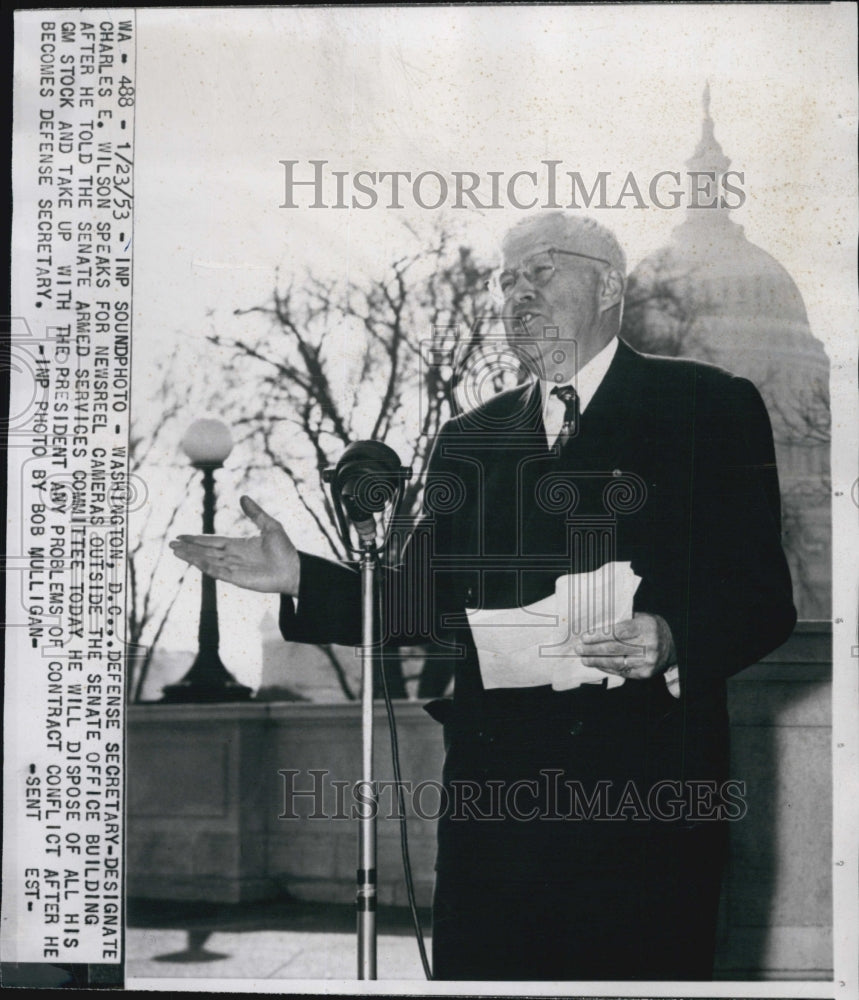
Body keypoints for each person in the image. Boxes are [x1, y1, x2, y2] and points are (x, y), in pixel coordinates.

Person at [171, 212, 796, 981]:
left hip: (645, 808)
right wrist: (303, 576)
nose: (515, 295)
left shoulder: (707, 405)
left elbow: (762, 595)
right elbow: (422, 600)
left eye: (539, 273)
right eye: (505, 281)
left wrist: (670, 636)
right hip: (492, 812)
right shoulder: (472, 437)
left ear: (607, 285)